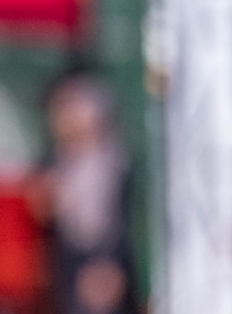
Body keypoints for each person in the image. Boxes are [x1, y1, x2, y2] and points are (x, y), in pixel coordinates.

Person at [32, 74, 137, 314]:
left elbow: (117, 220)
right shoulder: (62, 160)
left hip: (101, 263)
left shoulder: (109, 160)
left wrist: (109, 265)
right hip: (71, 265)